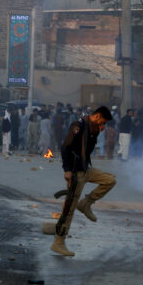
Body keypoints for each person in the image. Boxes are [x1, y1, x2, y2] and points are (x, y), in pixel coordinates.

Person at [50, 106, 117, 257]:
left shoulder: (91, 129)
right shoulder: (79, 125)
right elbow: (65, 147)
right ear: (98, 117)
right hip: (76, 171)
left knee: (110, 180)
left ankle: (86, 203)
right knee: (70, 208)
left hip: (86, 169)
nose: (103, 126)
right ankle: (58, 242)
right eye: (103, 122)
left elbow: (86, 150)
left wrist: (96, 132)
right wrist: (67, 170)